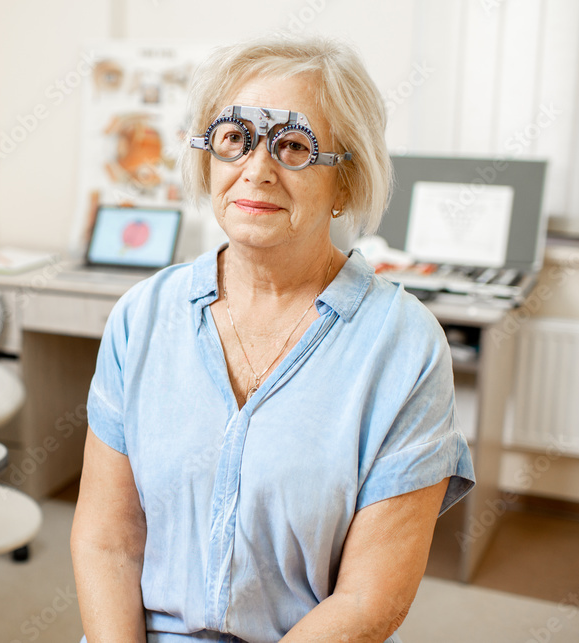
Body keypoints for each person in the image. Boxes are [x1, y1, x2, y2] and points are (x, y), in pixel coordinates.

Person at [70, 36, 475, 643]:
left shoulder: (403, 346)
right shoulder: (143, 315)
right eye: (235, 138)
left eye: (292, 146)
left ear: (346, 182)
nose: (256, 170)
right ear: (209, 157)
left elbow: (370, 599)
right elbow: (108, 542)